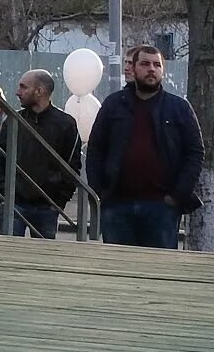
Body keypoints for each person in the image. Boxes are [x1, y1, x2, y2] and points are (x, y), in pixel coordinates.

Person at [85, 44, 204, 248]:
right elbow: (96, 150)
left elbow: (195, 152)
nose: (152, 69)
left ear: (162, 71)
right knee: (118, 271)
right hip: (117, 205)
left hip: (162, 207)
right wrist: (100, 193)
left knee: (159, 273)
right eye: (145, 64)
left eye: (157, 65)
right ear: (134, 68)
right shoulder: (114, 105)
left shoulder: (178, 108)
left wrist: (177, 196)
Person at [0, 68, 82, 238]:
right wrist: (3, 195)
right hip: (14, 203)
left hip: (47, 206)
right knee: (7, 257)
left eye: (23, 87)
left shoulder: (65, 124)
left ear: (39, 91)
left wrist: (58, 202)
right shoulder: (14, 121)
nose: (17, 92)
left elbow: (72, 167)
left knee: (43, 259)